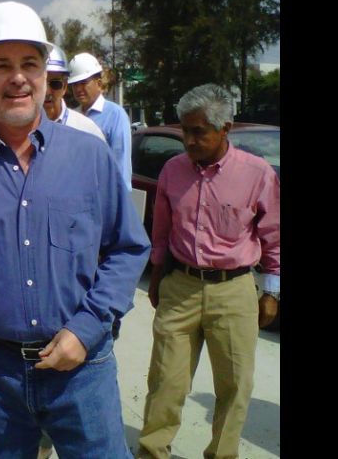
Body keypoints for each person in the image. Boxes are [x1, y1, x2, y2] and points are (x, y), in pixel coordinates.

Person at [0, 1, 150, 458]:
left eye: (30, 64)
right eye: (1, 65)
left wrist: (87, 327)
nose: (18, 77)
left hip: (82, 369)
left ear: (44, 75)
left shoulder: (90, 156)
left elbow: (127, 249)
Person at [136, 84, 280, 459]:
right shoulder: (173, 170)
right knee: (165, 380)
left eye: (198, 132)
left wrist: (271, 291)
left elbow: (274, 237)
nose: (189, 140)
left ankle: (222, 453)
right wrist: (157, 277)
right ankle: (152, 451)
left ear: (224, 129)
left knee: (234, 385)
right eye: (185, 130)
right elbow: (162, 231)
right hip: (180, 287)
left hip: (234, 292)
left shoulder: (257, 174)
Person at [68, 52, 133, 190]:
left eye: (83, 83)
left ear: (98, 83)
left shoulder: (115, 115)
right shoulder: (71, 116)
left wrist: (119, 198)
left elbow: (121, 165)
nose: (78, 89)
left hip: (103, 195)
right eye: (74, 84)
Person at [42, 45, 106, 141]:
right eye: (42, 83)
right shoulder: (20, 131)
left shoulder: (87, 130)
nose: (47, 92)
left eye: (55, 84)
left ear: (64, 86)